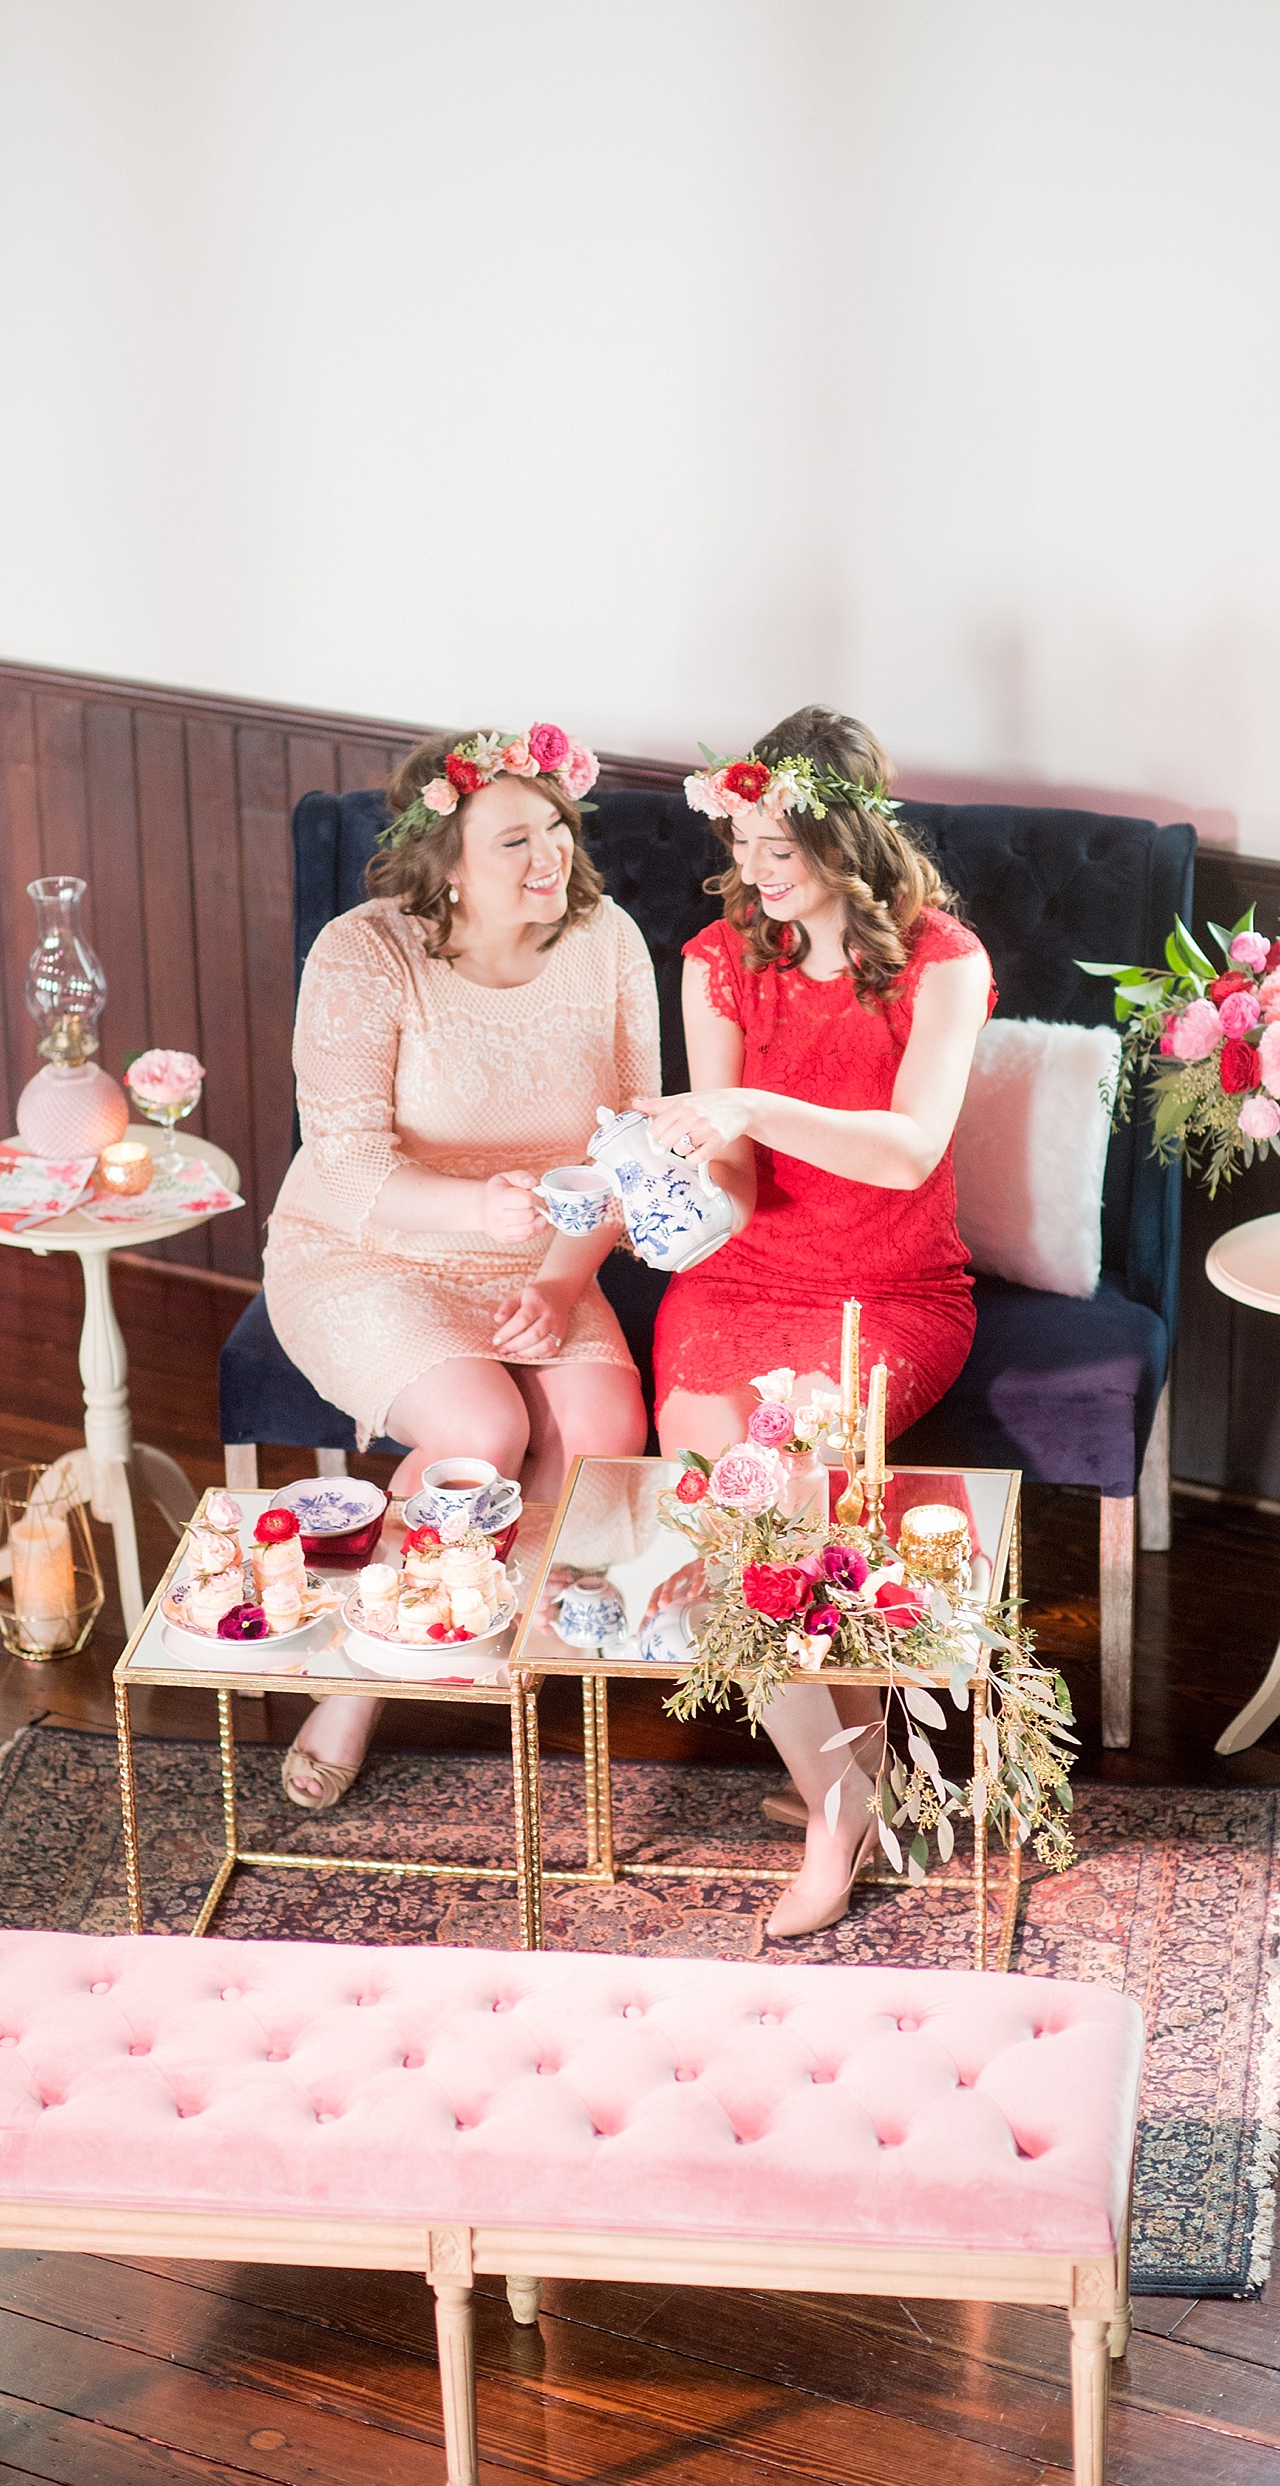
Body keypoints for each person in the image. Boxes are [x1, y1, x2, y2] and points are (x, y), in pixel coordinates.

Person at [638, 706, 993, 1938]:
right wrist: (671, 1186)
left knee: (783, 1508)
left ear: (846, 841)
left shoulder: (946, 963)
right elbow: (734, 1180)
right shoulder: (715, 960)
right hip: (739, 1283)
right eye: (740, 844)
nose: (750, 871)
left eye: (775, 848)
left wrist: (738, 1101)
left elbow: (904, 1156)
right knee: (712, 1508)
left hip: (890, 1293)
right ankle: (845, 1792)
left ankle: (839, 1818)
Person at [263, 721, 659, 1809]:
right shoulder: (364, 951)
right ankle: (363, 1676)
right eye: (513, 843)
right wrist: (474, 1207)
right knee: (485, 1430)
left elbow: (628, 1149)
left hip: (543, 1256)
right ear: (443, 861)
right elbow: (342, 1168)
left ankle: (498, 1650)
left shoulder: (608, 938)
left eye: (558, 832)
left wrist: (563, 1282)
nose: (551, 863)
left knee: (602, 1439)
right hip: (367, 1248)